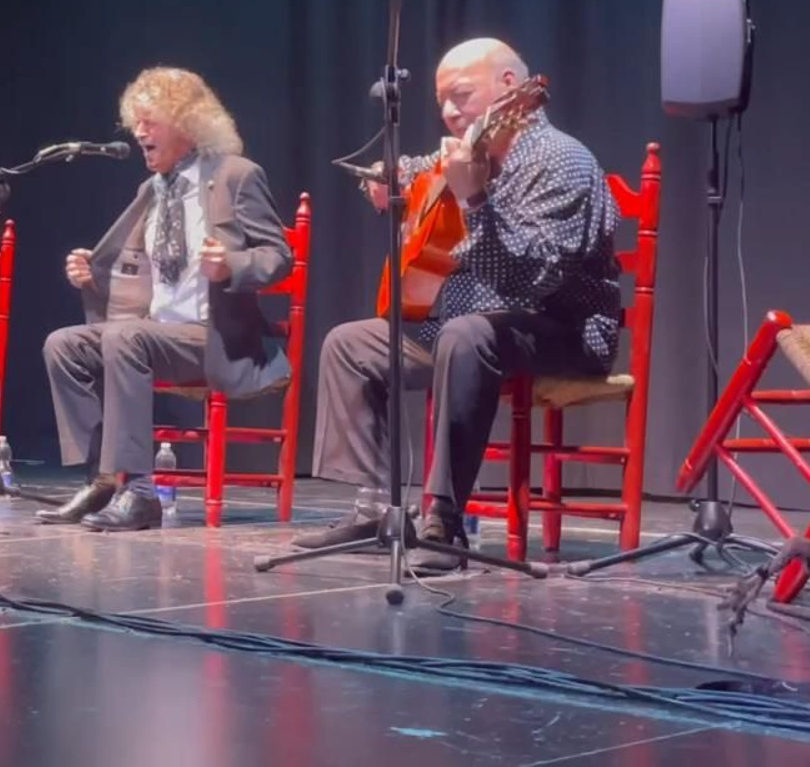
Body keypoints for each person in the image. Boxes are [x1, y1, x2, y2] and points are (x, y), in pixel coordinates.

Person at [299, 38, 621, 571]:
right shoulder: (472, 146)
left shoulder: (561, 160)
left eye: (462, 95)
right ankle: (372, 508)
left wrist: (472, 200)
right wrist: (388, 180)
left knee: (466, 334)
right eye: (442, 100)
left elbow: (532, 280)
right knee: (351, 343)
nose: (449, 111)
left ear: (510, 90)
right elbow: (411, 166)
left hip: (561, 330)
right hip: (468, 326)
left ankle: (444, 520)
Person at [39, 66, 292, 532]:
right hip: (154, 333)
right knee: (63, 344)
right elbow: (134, 273)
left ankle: (141, 493)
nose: (139, 131)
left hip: (211, 337)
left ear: (188, 123)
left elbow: (278, 256)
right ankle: (103, 478)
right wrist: (89, 278)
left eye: (150, 120)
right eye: (136, 121)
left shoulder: (236, 176)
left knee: (125, 338)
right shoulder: (151, 190)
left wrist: (231, 265)